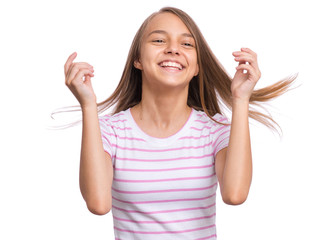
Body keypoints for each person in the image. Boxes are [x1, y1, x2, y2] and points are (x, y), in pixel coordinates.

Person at [63, 7, 295, 240]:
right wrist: (88, 106)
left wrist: (241, 99)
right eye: (159, 40)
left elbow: (235, 194)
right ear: (138, 60)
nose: (173, 49)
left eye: (186, 44)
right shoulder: (110, 131)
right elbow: (98, 203)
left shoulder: (215, 130)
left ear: (196, 67)